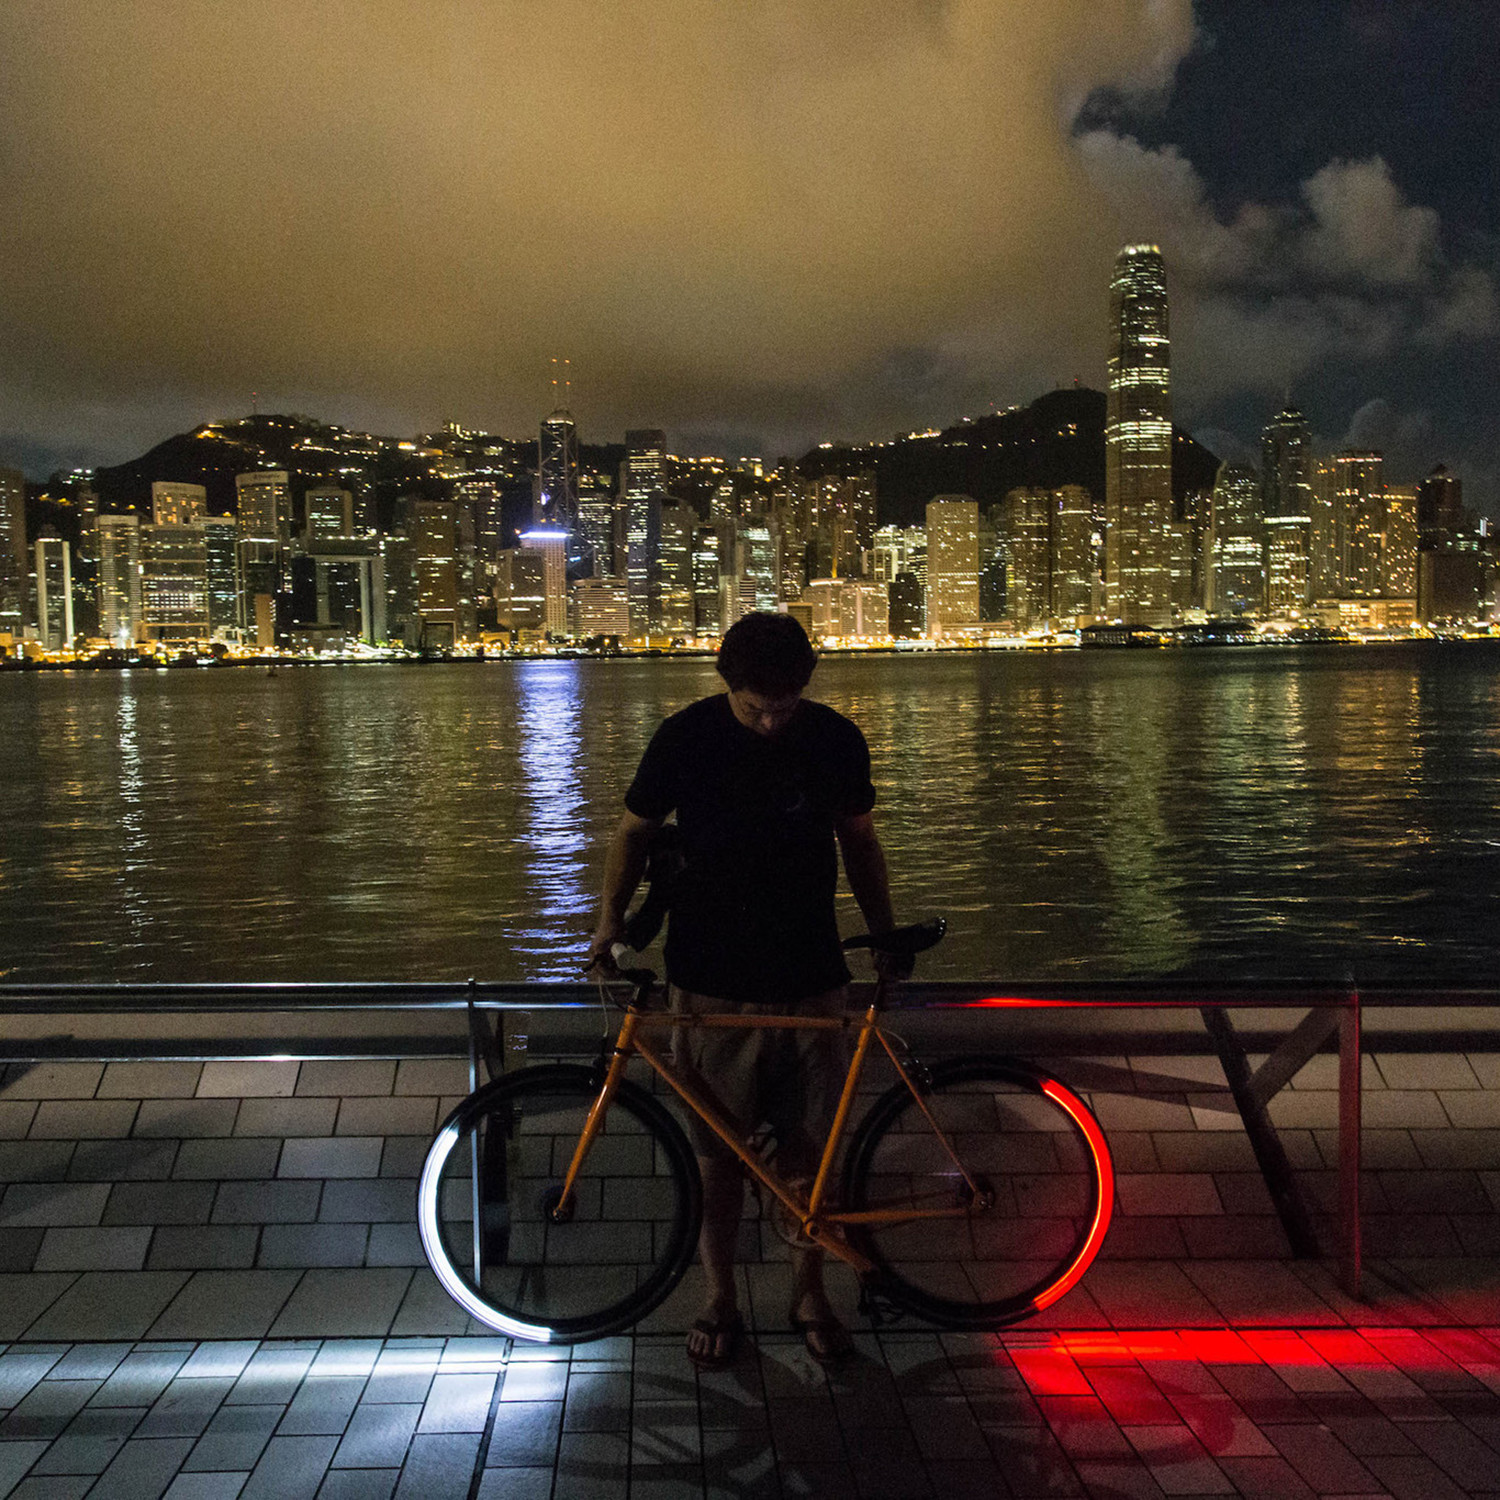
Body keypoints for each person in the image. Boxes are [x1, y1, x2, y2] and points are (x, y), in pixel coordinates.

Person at [587, 611, 897, 1369]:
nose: (770, 721)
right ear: (728, 685)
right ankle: (719, 1296)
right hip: (710, 978)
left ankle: (809, 1296)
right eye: (756, 707)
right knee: (717, 1158)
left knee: (810, 1158)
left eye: (784, 707)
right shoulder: (686, 736)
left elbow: (860, 840)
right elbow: (632, 832)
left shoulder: (834, 738)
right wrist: (609, 923)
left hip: (812, 974)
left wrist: (884, 934)